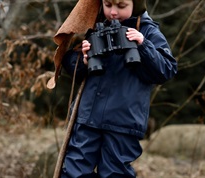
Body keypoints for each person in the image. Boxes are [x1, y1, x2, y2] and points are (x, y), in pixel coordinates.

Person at [60, 0, 177, 177]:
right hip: (87, 118)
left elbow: (167, 69)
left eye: (121, 6)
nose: (113, 12)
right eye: (108, 5)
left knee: (115, 173)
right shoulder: (94, 25)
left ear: (136, 5)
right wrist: (83, 60)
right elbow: (68, 61)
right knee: (75, 171)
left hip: (123, 123)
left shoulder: (147, 30)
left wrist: (143, 45)